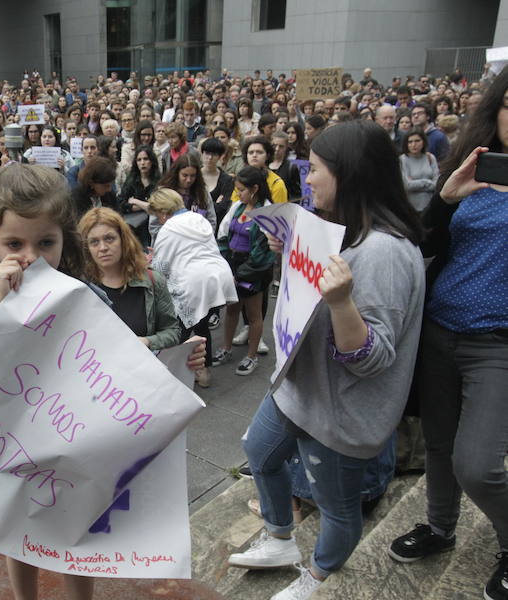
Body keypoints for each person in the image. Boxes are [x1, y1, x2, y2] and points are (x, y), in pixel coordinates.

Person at [0, 163, 206, 600]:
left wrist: (179, 358)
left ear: (65, 240)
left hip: (71, 436)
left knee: (75, 532)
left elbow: (122, 362)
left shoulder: (85, 294)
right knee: (18, 533)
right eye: (14, 243)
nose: (30, 255)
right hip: (9, 440)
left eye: (45, 242)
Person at [227, 120, 424, 600]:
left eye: (314, 169)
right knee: (260, 453)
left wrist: (341, 303)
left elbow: (372, 359)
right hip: (300, 386)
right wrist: (288, 253)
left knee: (336, 506)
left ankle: (317, 577)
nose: (307, 179)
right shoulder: (339, 228)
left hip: (341, 409)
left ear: (350, 173)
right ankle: (279, 540)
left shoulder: (384, 253)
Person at [388, 69, 508, 600]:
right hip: (439, 332)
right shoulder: (472, 166)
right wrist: (446, 196)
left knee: (478, 465)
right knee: (438, 446)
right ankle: (440, 529)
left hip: (497, 346)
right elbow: (424, 239)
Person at [149, 188, 237, 387]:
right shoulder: (199, 219)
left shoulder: (168, 228)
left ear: (163, 212)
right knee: (201, 326)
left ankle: (171, 373)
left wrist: (150, 261)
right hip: (217, 277)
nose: (158, 220)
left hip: (192, 284)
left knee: (177, 330)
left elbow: (160, 267)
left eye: (157, 216)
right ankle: (203, 372)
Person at [79, 206, 181, 352]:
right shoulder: (81, 288)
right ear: (86, 247)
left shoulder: (152, 281)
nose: (102, 247)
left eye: (109, 238)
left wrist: (147, 341)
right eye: (94, 242)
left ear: (123, 240)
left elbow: (172, 331)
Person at [213, 166, 277, 376]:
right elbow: (223, 236)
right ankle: (226, 348)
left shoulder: (266, 212)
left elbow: (262, 255)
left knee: (253, 315)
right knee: (231, 310)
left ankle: (251, 356)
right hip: (233, 266)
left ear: (255, 189)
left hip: (253, 272)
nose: (237, 193)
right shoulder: (238, 207)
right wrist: (226, 267)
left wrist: (239, 274)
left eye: (241, 190)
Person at [118, 145, 160, 247]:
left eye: (145, 159)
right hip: (134, 228)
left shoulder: (159, 182)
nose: (142, 163)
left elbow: (157, 208)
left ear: (152, 161)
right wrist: (145, 207)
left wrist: (136, 201)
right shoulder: (131, 181)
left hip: (154, 229)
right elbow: (121, 204)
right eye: (139, 160)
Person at [399, 128, 439, 212]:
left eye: (417, 141)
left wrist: (416, 182)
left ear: (423, 141)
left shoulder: (430, 158)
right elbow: (407, 185)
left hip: (429, 206)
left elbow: (436, 184)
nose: (414, 145)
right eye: (410, 142)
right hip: (411, 207)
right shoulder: (403, 159)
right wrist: (427, 182)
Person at [201, 137, 235, 227]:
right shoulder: (194, 176)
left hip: (216, 226)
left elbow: (223, 208)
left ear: (220, 157)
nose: (210, 158)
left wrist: (203, 206)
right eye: (207, 153)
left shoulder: (227, 180)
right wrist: (215, 204)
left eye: (214, 154)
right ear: (202, 153)